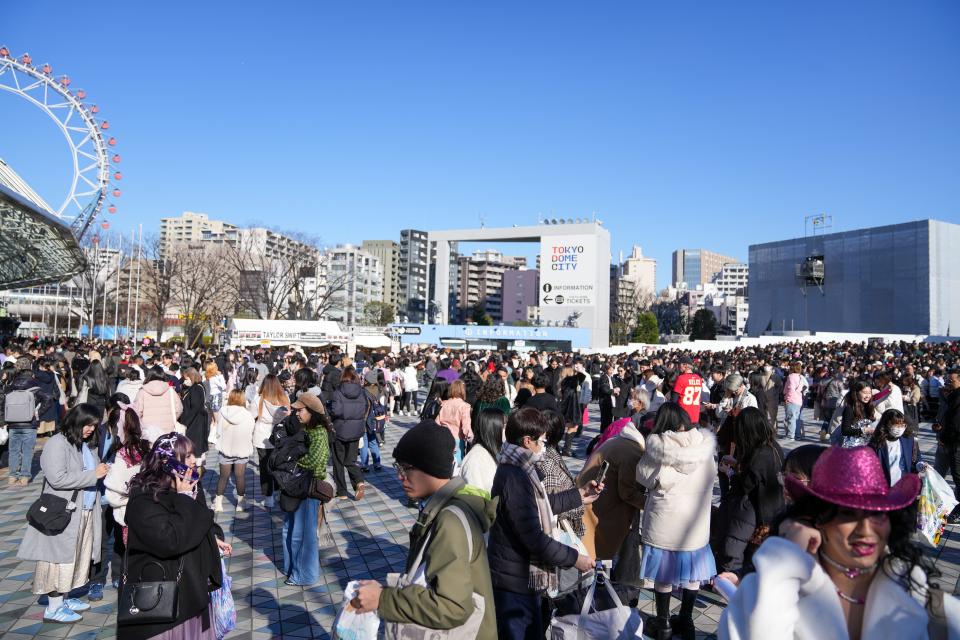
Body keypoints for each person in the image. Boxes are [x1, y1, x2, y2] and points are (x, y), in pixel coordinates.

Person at [718, 446, 959, 639]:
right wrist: (788, 559)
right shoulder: (771, 589)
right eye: (847, 514)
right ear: (818, 519)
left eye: (877, 514)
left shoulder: (913, 589)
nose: (866, 530)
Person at [350, 420, 497, 639]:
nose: (400, 477)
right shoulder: (448, 508)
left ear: (430, 467)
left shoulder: (450, 520)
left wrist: (383, 599)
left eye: (405, 469)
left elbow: (452, 606)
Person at [487, 407, 601, 640]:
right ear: (527, 441)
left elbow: (540, 505)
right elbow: (534, 537)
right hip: (515, 581)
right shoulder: (515, 475)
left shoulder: (519, 467)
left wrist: (578, 495)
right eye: (541, 441)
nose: (544, 447)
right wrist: (574, 559)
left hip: (518, 577)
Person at [120, 433, 232, 640]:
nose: (193, 460)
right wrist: (183, 499)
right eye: (186, 455)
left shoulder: (189, 488)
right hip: (160, 601)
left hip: (193, 594)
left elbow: (200, 522)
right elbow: (170, 541)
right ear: (167, 462)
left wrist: (210, 537)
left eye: (193, 454)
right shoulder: (144, 498)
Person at [17, 404, 109, 623]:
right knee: (58, 562)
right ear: (76, 421)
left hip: (84, 511)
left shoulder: (84, 444)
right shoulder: (57, 443)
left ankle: (64, 598)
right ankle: (53, 607)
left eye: (93, 426)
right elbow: (57, 478)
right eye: (87, 424)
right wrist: (93, 475)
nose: (90, 429)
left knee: (76, 559)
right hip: (64, 513)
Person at [635, 402, 718, 640]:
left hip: (666, 521)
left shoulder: (659, 447)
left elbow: (644, 478)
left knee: (664, 576)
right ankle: (688, 621)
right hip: (695, 523)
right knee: (692, 574)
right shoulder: (704, 447)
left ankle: (664, 625)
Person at [712, 407, 784, 580]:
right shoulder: (773, 447)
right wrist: (737, 464)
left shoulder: (760, 454)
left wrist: (729, 472)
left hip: (750, 511)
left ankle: (732, 586)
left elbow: (746, 484)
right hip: (769, 510)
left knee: (732, 551)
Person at [577, 414, 646, 588]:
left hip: (594, 503)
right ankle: (594, 597)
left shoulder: (623, 441)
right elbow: (627, 492)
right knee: (595, 558)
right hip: (599, 508)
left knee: (593, 555)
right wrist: (654, 504)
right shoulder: (632, 452)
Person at [282, 393, 330, 586]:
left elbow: (316, 462)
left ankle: (304, 574)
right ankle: (291, 568)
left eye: (300, 410)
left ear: (312, 412)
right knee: (290, 529)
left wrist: (293, 460)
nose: (297, 413)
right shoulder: (304, 429)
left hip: (308, 488)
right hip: (296, 485)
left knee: (303, 533)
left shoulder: (318, 432)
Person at [251, 374, 291, 509]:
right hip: (280, 436)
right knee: (280, 465)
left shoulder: (259, 399)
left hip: (262, 436)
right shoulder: (284, 399)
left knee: (264, 467)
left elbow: (252, 416)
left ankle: (268, 498)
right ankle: (280, 492)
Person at [329, 366, 368, 500]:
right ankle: (359, 481)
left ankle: (342, 492)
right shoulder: (362, 392)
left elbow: (336, 412)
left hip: (339, 430)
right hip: (356, 430)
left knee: (338, 462)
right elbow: (365, 409)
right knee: (350, 460)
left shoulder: (338, 392)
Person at [214, 388, 256, 512]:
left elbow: (218, 430)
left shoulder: (223, 411)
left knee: (223, 477)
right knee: (240, 476)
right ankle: (240, 504)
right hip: (242, 450)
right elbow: (250, 432)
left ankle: (218, 504)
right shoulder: (248, 415)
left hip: (225, 449)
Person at [868, 408, 921, 486]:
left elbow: (916, 459)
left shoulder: (909, 440)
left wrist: (920, 465)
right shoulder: (876, 444)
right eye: (896, 425)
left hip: (904, 485)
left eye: (902, 425)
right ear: (887, 424)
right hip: (884, 486)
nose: (899, 428)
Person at [460, 407, 505, 493]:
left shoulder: (492, 452)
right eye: (504, 426)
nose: (507, 430)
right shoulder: (476, 459)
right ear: (493, 429)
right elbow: (476, 498)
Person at [133, 368, 183, 441]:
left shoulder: (142, 392)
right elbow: (179, 409)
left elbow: (137, 412)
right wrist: (171, 419)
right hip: (168, 430)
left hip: (148, 431)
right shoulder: (170, 390)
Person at [436, 379, 473, 465]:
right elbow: (466, 427)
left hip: (443, 438)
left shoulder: (444, 404)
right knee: (456, 466)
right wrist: (472, 439)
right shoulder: (464, 406)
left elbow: (437, 423)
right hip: (457, 440)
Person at [180, 367, 210, 464]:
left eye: (186, 378)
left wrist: (185, 422)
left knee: (195, 452)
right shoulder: (196, 387)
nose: (185, 381)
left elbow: (195, 408)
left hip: (194, 423)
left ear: (191, 377)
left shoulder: (196, 388)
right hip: (196, 421)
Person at [839, 379, 877, 447]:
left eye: (869, 393)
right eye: (864, 392)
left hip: (866, 446)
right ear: (856, 393)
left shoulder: (869, 407)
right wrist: (864, 430)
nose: (867, 396)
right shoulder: (850, 408)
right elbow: (845, 431)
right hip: (852, 447)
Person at [782, 362, 809, 440]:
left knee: (790, 418)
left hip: (791, 399)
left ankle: (790, 435)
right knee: (797, 419)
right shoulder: (801, 376)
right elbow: (806, 386)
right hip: (798, 399)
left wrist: (787, 398)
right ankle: (797, 435)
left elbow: (790, 389)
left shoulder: (791, 376)